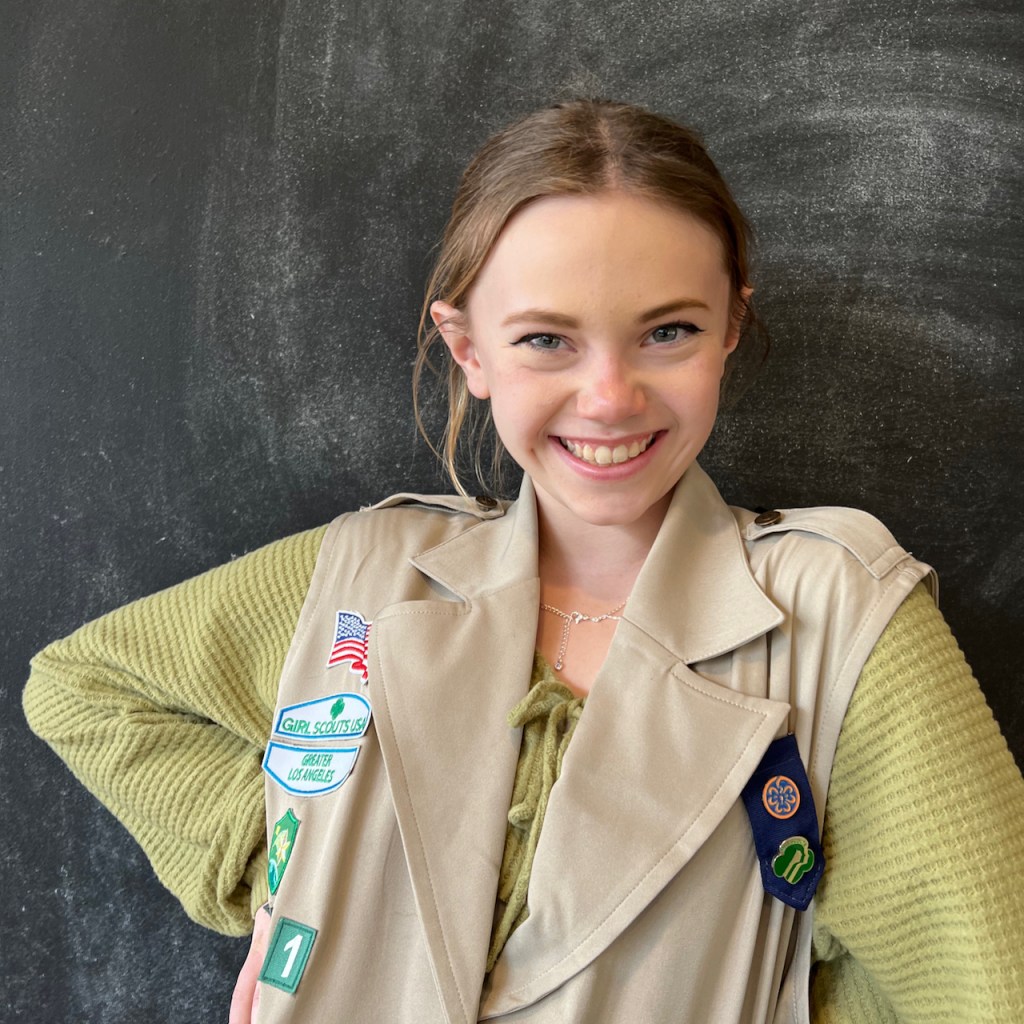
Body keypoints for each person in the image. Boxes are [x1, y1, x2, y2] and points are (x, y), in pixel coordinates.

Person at [23, 99, 1024, 1024]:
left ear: (730, 327)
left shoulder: (843, 615)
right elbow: (85, 689)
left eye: (668, 331)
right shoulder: (363, 573)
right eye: (546, 339)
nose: (609, 397)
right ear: (468, 350)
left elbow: (987, 983)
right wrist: (294, 872)